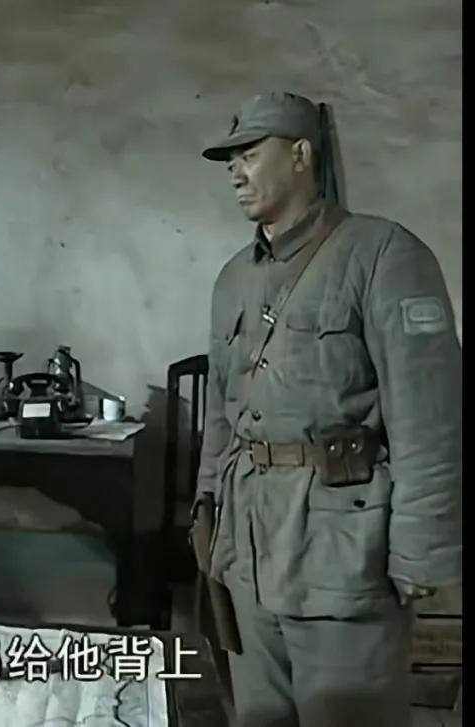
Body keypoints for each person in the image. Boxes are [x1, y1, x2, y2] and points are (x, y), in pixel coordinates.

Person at [192, 92, 462, 727]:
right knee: (259, 717)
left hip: (342, 554)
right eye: (230, 159)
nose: (235, 172)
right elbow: (223, 415)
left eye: (250, 154)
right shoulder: (233, 279)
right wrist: (206, 512)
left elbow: (431, 417)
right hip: (249, 550)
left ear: (300, 155)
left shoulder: (384, 255)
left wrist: (420, 553)